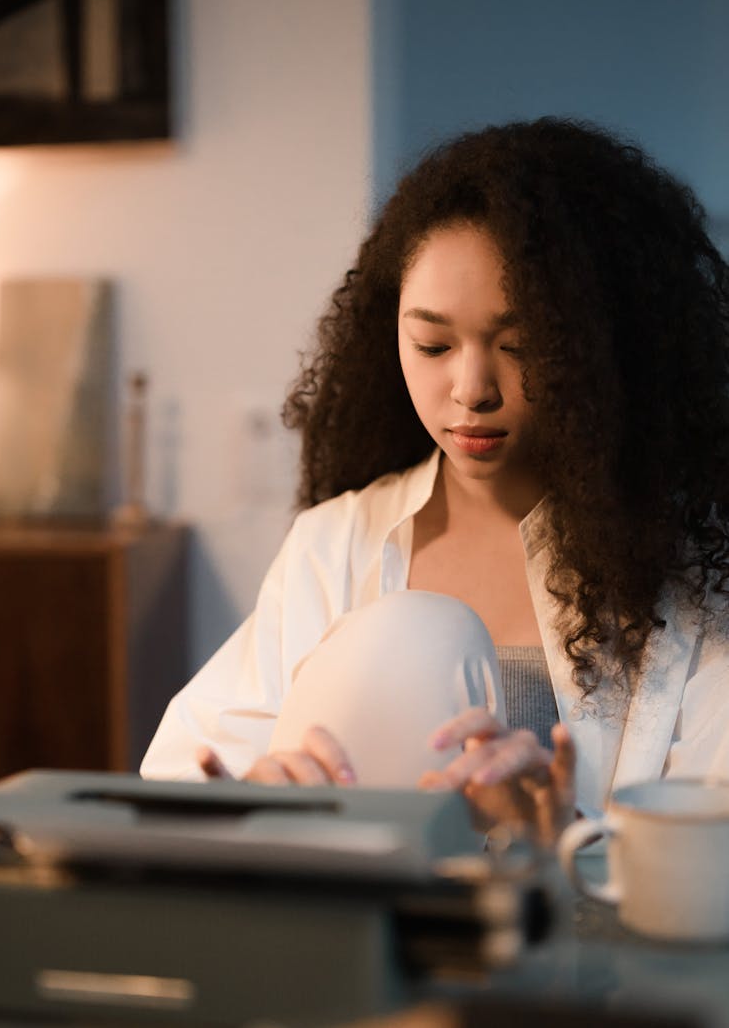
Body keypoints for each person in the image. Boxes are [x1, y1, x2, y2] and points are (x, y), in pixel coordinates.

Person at [141, 117, 729, 844]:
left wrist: (567, 842)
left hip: (583, 951)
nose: (471, 389)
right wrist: (247, 801)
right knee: (411, 634)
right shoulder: (337, 544)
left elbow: (713, 850)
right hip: (360, 944)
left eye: (521, 347)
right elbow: (175, 782)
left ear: (602, 350)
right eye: (432, 343)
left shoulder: (691, 567)